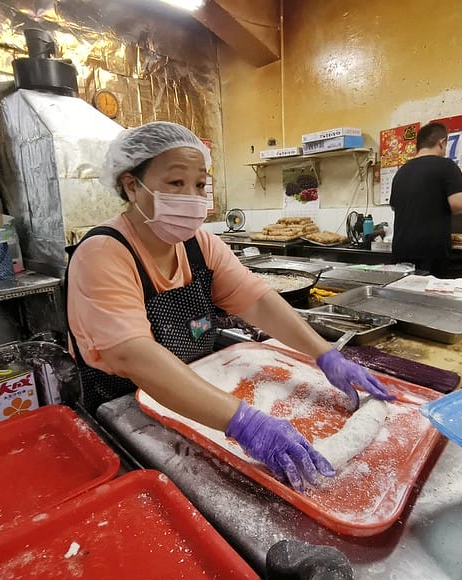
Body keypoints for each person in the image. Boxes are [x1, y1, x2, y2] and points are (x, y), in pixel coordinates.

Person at [66, 121, 393, 492]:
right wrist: (244, 423)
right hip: (125, 417)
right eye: (176, 183)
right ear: (131, 185)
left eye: (199, 184)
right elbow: (134, 356)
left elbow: (259, 301)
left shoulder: (199, 244)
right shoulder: (103, 253)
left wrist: (325, 354)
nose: (192, 196)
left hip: (200, 402)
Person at [389, 122, 462, 277]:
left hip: (402, 248)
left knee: (403, 289)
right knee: (430, 290)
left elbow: (394, 206)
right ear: (442, 142)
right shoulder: (447, 166)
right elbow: (458, 204)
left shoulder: (402, 171)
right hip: (431, 250)